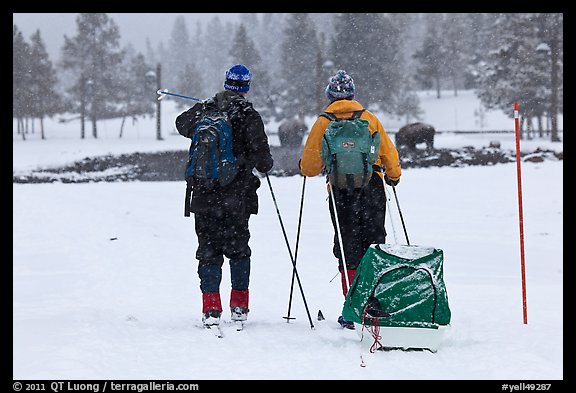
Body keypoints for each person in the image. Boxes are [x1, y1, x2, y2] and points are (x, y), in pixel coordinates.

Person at [299, 70, 401, 329]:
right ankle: (375, 303)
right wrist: (394, 176)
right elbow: (389, 152)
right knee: (374, 244)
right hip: (373, 186)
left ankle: (353, 308)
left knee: (347, 247)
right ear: (353, 94)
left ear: (330, 96)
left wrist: (306, 164)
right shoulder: (369, 118)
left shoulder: (323, 122)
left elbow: (310, 167)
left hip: (341, 190)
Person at [175, 64, 274, 327]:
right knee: (239, 251)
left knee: (208, 252)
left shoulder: (207, 110)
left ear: (226, 83)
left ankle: (211, 309)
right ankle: (239, 306)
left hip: (204, 196)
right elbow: (263, 162)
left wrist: (204, 107)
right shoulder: (248, 115)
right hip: (237, 198)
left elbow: (181, 124)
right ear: (246, 87)